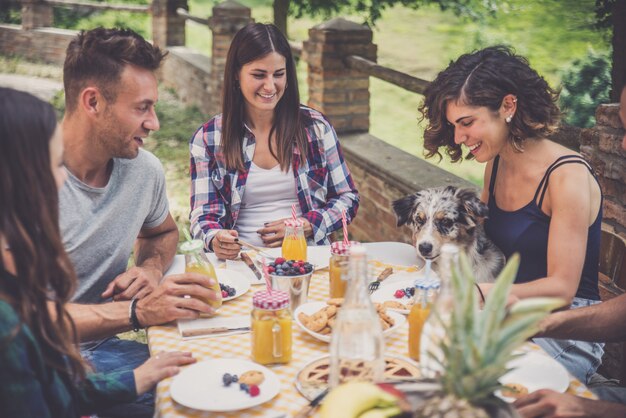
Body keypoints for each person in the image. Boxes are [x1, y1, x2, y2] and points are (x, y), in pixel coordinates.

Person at [0, 87, 196, 417]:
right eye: (52, 166)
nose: (62, 181)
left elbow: (60, 390)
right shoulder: (9, 327)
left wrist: (140, 377)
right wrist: (138, 312)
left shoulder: (16, 264)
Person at [419, 46, 603, 384]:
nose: (459, 138)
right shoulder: (497, 161)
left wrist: (476, 294)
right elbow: (480, 239)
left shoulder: (567, 176)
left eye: (467, 123)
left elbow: (562, 289)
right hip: (505, 310)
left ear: (508, 105)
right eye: (454, 126)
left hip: (566, 328)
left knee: (466, 381)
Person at [59, 28, 217, 417]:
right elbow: (17, 322)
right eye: (142, 107)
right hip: (32, 362)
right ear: (93, 101)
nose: (155, 123)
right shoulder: (23, 178)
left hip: (104, 348)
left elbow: (162, 231)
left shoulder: (143, 171)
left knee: (215, 380)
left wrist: (149, 267)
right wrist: (135, 313)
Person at [189, 23, 359, 260]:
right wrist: (214, 237)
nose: (270, 86)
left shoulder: (316, 128)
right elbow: (203, 214)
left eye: (278, 74)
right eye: (259, 75)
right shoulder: (208, 138)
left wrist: (306, 224)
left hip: (309, 258)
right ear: (237, 75)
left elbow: (347, 198)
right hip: (242, 263)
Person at [513, 83, 626, 418]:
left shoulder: (568, 175)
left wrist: (588, 408)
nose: (623, 144)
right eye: (622, 128)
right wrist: (542, 325)